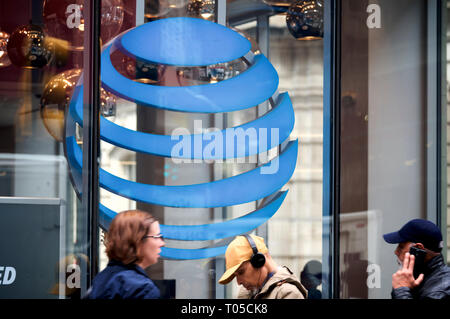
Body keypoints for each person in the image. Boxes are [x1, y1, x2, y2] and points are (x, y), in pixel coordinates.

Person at [85, 210, 165, 299]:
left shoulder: (100, 280)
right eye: (157, 237)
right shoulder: (143, 289)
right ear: (138, 241)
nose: (162, 243)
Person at [218, 234, 307, 299]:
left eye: (241, 272)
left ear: (258, 261)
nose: (238, 282)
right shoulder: (247, 294)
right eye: (235, 275)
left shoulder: (287, 293)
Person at [383, 218, 450, 299]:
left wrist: (401, 289)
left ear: (419, 248)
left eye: (401, 247)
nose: (396, 252)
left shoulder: (439, 291)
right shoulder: (417, 277)